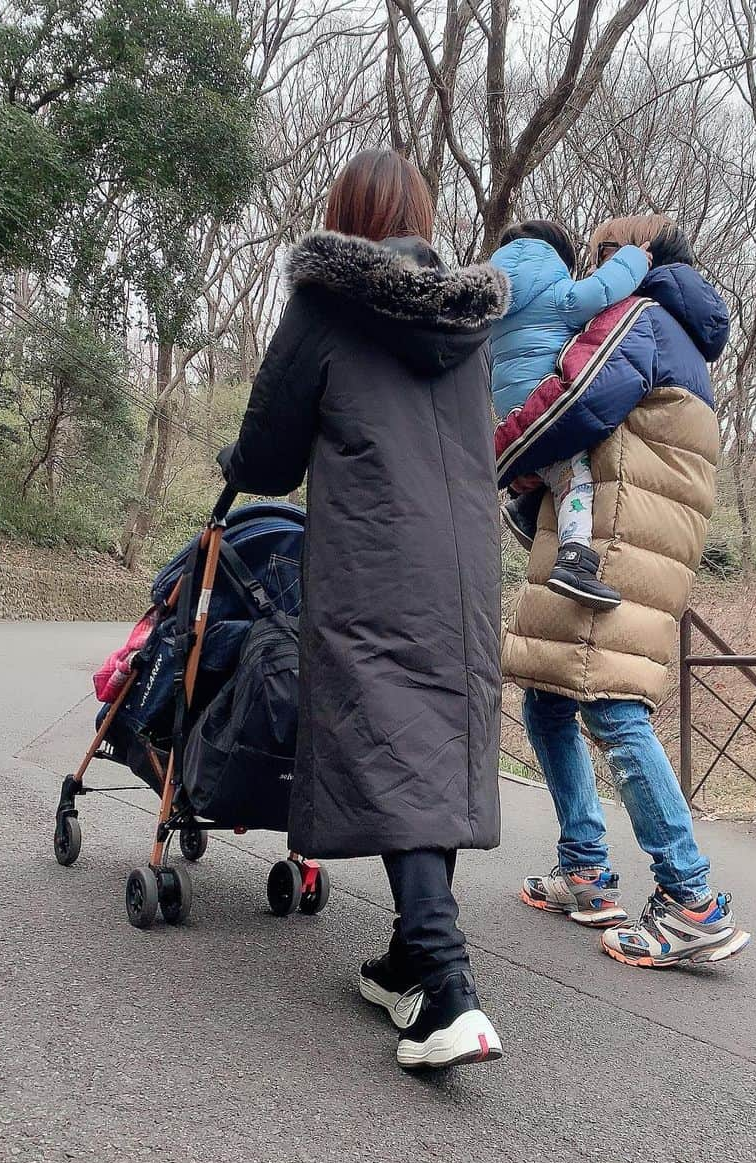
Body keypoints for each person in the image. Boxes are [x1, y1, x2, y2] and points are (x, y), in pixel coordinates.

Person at [221, 149, 508, 1067]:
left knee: (389, 735)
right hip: (463, 562)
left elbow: (268, 458)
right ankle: (404, 961)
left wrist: (234, 470)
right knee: (429, 733)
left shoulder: (326, 305)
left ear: (345, 213)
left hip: (376, 554)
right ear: (422, 217)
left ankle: (448, 989)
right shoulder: (471, 323)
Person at [500, 214, 751, 968]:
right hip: (633, 534)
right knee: (548, 700)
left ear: (631, 259)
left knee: (612, 708)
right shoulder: (682, 337)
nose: (590, 268)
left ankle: (691, 898)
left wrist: (495, 453)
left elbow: (576, 399)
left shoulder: (638, 318)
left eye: (602, 253)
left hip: (609, 538)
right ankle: (585, 869)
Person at [489, 221, 650, 609]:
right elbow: (602, 289)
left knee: (545, 471)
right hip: (546, 404)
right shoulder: (557, 292)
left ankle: (525, 512)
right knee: (576, 478)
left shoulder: (494, 304)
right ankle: (575, 559)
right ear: (558, 257)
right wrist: (634, 258)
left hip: (510, 413)